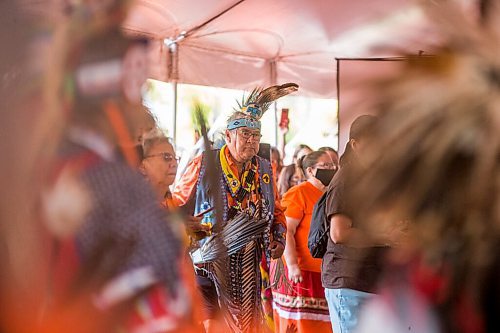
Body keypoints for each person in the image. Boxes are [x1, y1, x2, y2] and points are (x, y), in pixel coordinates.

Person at [172, 83, 298, 333]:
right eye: (245, 135)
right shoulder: (204, 163)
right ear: (228, 136)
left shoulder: (263, 169)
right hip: (207, 264)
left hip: (248, 266)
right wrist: (182, 226)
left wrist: (279, 239)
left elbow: (277, 212)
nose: (251, 141)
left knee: (247, 326)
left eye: (256, 136)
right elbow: (176, 203)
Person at [321, 115, 406, 333]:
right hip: (349, 281)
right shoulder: (345, 179)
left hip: (374, 280)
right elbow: (339, 233)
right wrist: (386, 235)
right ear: (356, 145)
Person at [272, 151, 335, 333]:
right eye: (326, 166)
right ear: (310, 170)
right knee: (300, 325)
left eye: (333, 166)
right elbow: (286, 231)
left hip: (322, 273)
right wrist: (292, 265)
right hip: (299, 273)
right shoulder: (299, 193)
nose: (332, 169)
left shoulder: (330, 194)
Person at [140, 129, 179, 202]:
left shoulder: (171, 204)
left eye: (176, 159)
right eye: (167, 157)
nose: (174, 164)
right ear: (142, 166)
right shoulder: (131, 205)